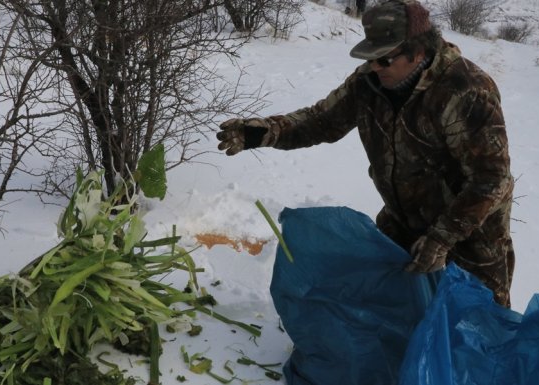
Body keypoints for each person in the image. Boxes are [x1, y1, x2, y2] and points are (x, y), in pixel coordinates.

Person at [216, 0, 516, 307]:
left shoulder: (464, 91)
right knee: (393, 312)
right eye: (370, 57)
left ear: (418, 51)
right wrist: (266, 131)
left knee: (478, 331)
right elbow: (321, 120)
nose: (374, 66)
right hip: (404, 224)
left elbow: (491, 179)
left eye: (384, 59)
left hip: (471, 238)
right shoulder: (369, 82)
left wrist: (441, 238)